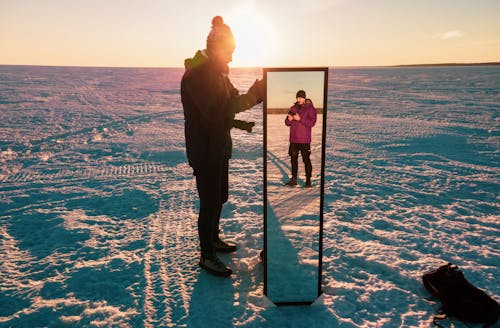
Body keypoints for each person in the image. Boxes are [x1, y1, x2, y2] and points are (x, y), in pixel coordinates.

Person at [181, 16, 264, 277]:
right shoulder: (198, 76)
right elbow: (218, 112)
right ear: (217, 48)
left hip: (218, 145)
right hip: (205, 149)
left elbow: (233, 100)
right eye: (229, 52)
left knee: (220, 198)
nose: (231, 58)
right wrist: (255, 96)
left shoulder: (217, 74)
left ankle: (213, 239)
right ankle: (207, 255)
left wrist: (254, 93)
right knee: (210, 201)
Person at [284, 90, 317, 188]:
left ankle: (308, 181)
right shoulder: (293, 108)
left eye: (301, 98)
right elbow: (286, 123)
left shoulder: (310, 109)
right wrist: (288, 120)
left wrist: (300, 119)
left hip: (304, 140)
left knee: (306, 159)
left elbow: (312, 123)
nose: (299, 99)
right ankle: (294, 179)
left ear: (304, 98)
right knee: (293, 160)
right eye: (298, 97)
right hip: (294, 139)